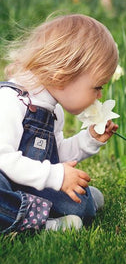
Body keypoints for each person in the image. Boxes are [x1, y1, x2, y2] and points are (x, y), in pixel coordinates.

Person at [0, 14, 119, 233]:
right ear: (61, 75)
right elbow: (4, 159)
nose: (100, 95)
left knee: (82, 205)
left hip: (25, 183)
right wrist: (56, 176)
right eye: (97, 87)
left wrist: (89, 140)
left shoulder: (53, 110)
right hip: (4, 185)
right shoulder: (10, 101)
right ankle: (43, 224)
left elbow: (54, 155)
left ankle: (69, 204)